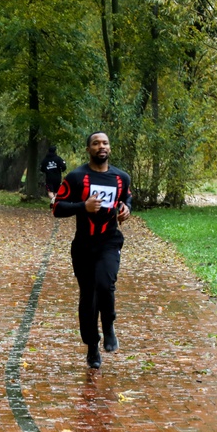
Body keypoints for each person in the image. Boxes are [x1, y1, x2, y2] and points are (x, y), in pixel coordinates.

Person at [52, 132, 132, 369]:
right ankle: (92, 346)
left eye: (105, 143)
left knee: (105, 285)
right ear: (88, 149)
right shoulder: (77, 177)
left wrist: (126, 209)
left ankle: (108, 325)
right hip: (84, 246)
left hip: (110, 241)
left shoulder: (121, 177)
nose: (101, 146)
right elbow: (57, 207)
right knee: (88, 296)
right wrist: (83, 206)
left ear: (110, 147)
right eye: (96, 143)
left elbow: (126, 199)